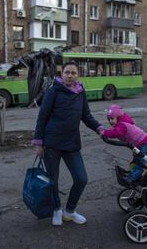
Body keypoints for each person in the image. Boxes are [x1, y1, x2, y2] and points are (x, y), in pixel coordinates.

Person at [33, 61, 103, 226]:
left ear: (77, 75)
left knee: (81, 178)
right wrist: (38, 143)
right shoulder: (53, 91)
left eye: (73, 72)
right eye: (67, 72)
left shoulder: (80, 92)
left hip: (71, 143)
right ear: (61, 74)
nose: (70, 75)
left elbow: (86, 115)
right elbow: (42, 117)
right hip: (52, 144)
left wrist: (99, 128)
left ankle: (69, 211)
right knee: (53, 181)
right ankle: (57, 209)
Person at [100, 104, 147, 184]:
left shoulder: (123, 125)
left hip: (145, 145)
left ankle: (132, 179)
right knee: (135, 161)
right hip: (141, 144)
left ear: (118, 117)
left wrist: (104, 132)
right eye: (109, 119)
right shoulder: (122, 122)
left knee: (139, 163)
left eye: (112, 118)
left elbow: (116, 133)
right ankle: (134, 175)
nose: (110, 121)